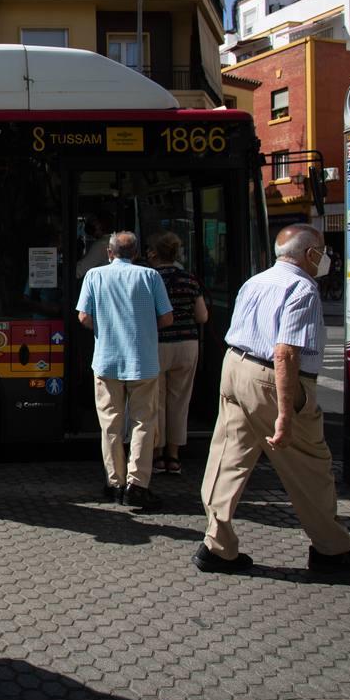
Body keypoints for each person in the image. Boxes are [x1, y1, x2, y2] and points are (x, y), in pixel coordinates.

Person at [194, 223, 350, 575]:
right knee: (310, 465)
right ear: (310, 254)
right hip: (270, 379)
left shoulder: (256, 281)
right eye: (322, 251)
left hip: (235, 367)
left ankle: (217, 547)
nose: (324, 259)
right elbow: (285, 354)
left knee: (228, 457)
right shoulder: (302, 288)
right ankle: (331, 550)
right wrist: (285, 415)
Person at [76, 231, 173, 509]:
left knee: (110, 424)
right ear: (137, 253)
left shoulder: (95, 276)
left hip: (107, 360)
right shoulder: (150, 277)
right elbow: (166, 317)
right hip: (143, 361)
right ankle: (138, 485)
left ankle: (114, 483)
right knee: (143, 423)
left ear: (109, 252)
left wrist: (106, 328)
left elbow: (83, 317)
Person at [146, 231, 209, 475]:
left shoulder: (150, 278)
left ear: (154, 254)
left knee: (156, 401)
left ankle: (157, 453)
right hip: (187, 344)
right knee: (179, 401)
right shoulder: (189, 279)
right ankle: (174, 456)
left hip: (158, 344)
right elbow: (202, 316)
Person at [75, 214, 113, 278]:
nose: (88, 223)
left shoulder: (101, 244)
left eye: (92, 221)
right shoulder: (112, 239)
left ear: (101, 224)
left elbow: (78, 271)